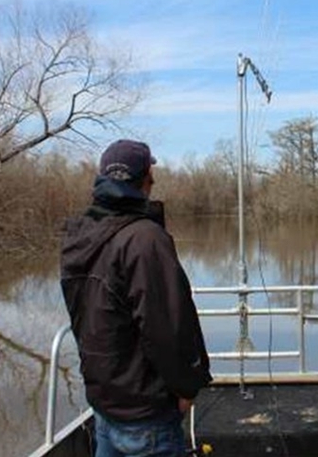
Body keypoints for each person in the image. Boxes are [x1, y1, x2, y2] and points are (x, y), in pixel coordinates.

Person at [60, 139, 212, 457]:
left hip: (104, 403)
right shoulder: (145, 239)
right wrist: (186, 387)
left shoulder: (80, 236)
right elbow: (169, 326)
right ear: (144, 180)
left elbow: (83, 321)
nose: (154, 180)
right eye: (151, 173)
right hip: (146, 414)